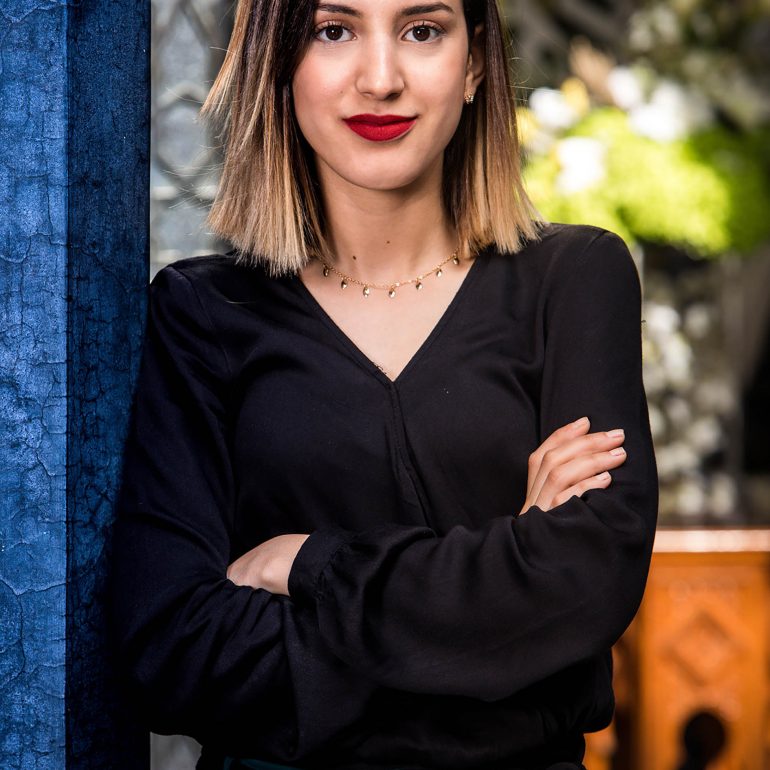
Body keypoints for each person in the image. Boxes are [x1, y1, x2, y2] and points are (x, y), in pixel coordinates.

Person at [108, 1, 658, 769]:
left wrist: (310, 565)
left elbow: (584, 586)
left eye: (422, 31)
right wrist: (506, 612)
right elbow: (172, 651)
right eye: (333, 31)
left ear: (474, 64)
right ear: (278, 62)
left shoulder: (574, 280)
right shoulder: (202, 311)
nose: (380, 78)